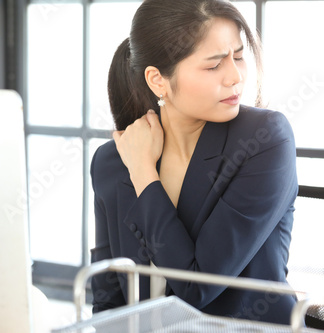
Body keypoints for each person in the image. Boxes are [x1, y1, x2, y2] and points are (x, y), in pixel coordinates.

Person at [90, 0, 299, 325]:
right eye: (214, 65)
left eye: (239, 56)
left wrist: (144, 172)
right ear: (158, 80)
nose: (235, 77)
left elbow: (196, 287)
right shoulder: (111, 159)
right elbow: (108, 299)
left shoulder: (264, 139)